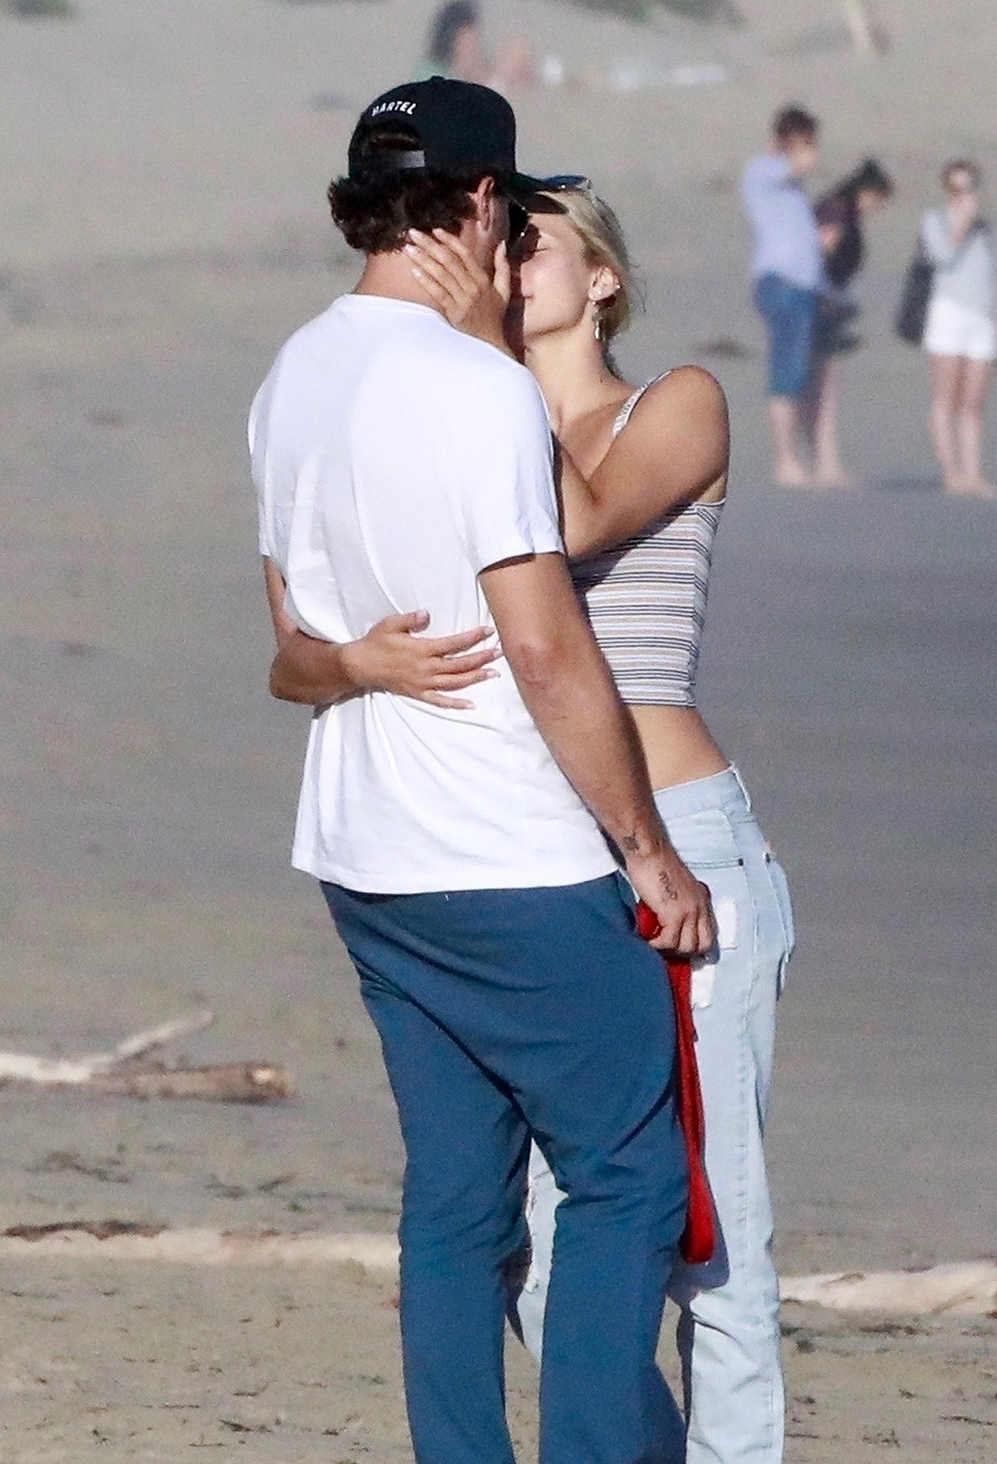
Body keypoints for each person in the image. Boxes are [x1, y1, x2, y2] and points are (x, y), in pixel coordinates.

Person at [274, 179, 796, 1464]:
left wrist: (475, 360)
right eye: (498, 244)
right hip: (530, 847)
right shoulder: (465, 410)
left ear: (602, 278)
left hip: (679, 829)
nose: (502, 266)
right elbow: (304, 635)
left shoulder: (675, 403)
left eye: (534, 245)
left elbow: (573, 524)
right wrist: (357, 662)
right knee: (564, 1258)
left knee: (713, 1246)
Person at [742, 106, 823, 486]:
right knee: (786, 372)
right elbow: (796, 164)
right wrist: (792, 149)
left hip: (802, 286)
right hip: (782, 284)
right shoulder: (764, 170)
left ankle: (805, 460)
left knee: (800, 373)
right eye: (804, 142)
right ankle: (786, 462)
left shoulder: (790, 188)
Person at [805, 158, 894, 486]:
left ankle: (822, 462)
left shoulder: (835, 209)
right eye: (879, 200)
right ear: (868, 192)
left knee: (817, 385)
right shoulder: (838, 213)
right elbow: (819, 253)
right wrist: (829, 300)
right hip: (822, 305)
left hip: (826, 304)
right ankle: (825, 464)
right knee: (823, 386)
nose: (878, 208)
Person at [921, 160, 996, 498]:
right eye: (957, 189)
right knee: (946, 397)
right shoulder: (934, 220)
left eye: (970, 188)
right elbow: (942, 256)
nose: (965, 195)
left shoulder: (985, 228)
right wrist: (961, 223)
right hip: (948, 314)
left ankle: (972, 472)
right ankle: (950, 472)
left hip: (981, 318)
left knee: (973, 401)